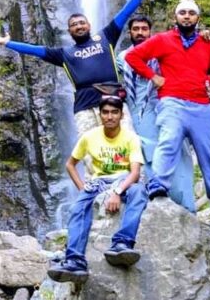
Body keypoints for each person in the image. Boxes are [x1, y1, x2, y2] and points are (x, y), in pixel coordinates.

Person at [124, 0, 210, 234]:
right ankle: (158, 186)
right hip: (171, 101)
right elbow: (133, 57)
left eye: (191, 13)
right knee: (168, 141)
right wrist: (154, 77)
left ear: (197, 18)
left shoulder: (206, 45)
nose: (186, 16)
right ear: (175, 17)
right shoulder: (162, 40)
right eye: (182, 12)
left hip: (201, 106)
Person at [0, 0, 158, 132]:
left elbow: (125, 12)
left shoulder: (106, 37)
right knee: (92, 155)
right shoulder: (64, 54)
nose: (79, 26)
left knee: (126, 147)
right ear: (69, 31)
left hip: (113, 102)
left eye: (82, 23)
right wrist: (9, 43)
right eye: (74, 25)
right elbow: (35, 50)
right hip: (85, 108)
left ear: (89, 25)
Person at [48, 96, 148, 282]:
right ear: (100, 115)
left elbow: (134, 173)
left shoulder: (130, 138)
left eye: (114, 112)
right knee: (78, 206)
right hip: (98, 182)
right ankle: (75, 260)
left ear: (121, 114)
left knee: (139, 191)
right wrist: (82, 188)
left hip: (122, 179)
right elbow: (70, 164)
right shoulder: (89, 136)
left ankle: (122, 243)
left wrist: (117, 193)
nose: (110, 117)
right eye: (106, 112)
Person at [117, 15, 196, 212]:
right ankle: (160, 205)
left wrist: (202, 36)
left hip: (166, 106)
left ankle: (187, 206)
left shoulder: (162, 52)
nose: (140, 33)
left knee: (178, 153)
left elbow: (190, 51)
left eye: (144, 29)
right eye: (136, 29)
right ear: (130, 33)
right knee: (149, 155)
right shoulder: (122, 58)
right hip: (139, 113)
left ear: (150, 32)